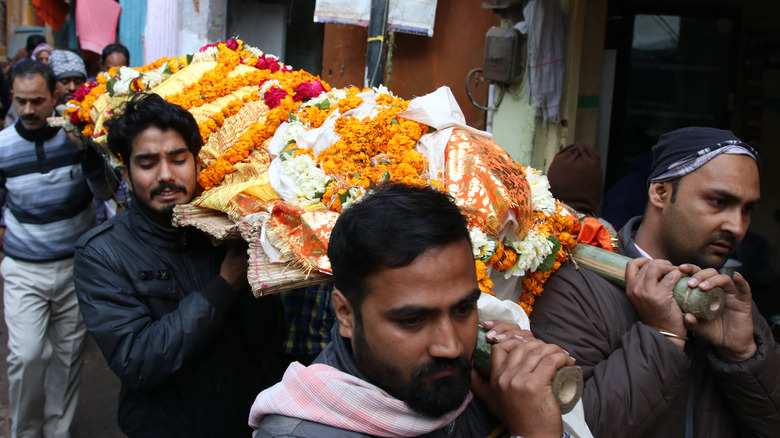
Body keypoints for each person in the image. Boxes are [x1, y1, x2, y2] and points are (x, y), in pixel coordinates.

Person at [250, 183, 576, 438]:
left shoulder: (482, 389)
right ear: (346, 315)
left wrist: (509, 412)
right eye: (413, 320)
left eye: (463, 309)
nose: (450, 347)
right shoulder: (300, 434)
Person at [530, 127, 780, 438]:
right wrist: (662, 337)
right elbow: (574, 429)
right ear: (660, 192)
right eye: (718, 202)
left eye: (747, 210)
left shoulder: (730, 300)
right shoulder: (579, 288)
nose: (737, 226)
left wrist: (744, 355)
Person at [72, 93, 287, 437]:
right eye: (147, 164)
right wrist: (224, 287)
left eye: (178, 159)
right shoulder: (102, 254)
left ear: (197, 163)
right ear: (125, 172)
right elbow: (137, 360)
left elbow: (266, 343)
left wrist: (260, 266)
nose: (166, 175)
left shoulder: (227, 231)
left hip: (243, 422)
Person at [0, 59, 116, 438]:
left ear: (54, 97)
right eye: (21, 102)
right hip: (23, 269)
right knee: (27, 355)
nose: (29, 110)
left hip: (73, 269)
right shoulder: (2, 147)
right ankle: (25, 431)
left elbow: (105, 192)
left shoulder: (78, 138)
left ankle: (56, 431)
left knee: (67, 357)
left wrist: (86, 153)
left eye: (37, 101)